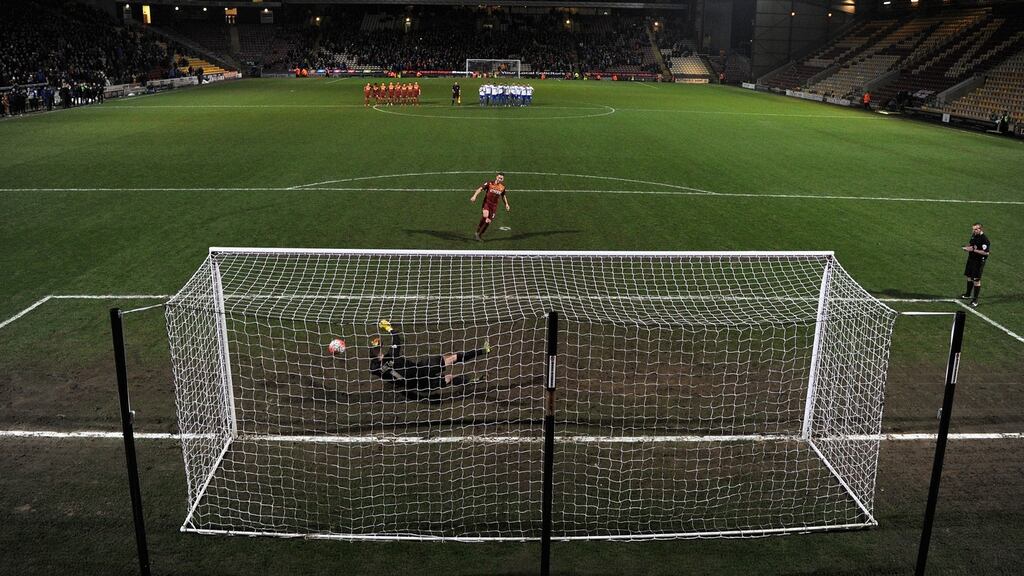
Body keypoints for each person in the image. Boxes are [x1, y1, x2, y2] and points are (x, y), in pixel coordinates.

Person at [369, 319, 490, 404]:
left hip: (421, 368)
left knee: (450, 358)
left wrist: (389, 330)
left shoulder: (387, 358)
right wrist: (389, 328)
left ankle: (483, 351)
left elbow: (395, 340)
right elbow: (396, 339)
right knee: (449, 378)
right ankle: (471, 381)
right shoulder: (387, 359)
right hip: (418, 384)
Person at [470, 172, 510, 241]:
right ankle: (477, 232)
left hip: (494, 206)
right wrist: (474, 196)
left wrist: (506, 204)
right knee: (485, 215)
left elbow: (503, 196)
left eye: (501, 178)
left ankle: (480, 235)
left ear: (503, 179)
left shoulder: (502, 187)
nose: (500, 179)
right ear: (496, 177)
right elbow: (480, 189)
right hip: (487, 203)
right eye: (499, 177)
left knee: (488, 221)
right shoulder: (489, 183)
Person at [960, 223, 991, 307]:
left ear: (981, 229)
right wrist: (967, 248)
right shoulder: (974, 235)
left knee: (976, 280)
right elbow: (972, 245)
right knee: (969, 276)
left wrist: (973, 250)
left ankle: (975, 300)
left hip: (979, 262)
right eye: (973, 229)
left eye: (976, 229)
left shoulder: (985, 240)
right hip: (971, 259)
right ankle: (968, 294)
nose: (974, 231)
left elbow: (986, 252)